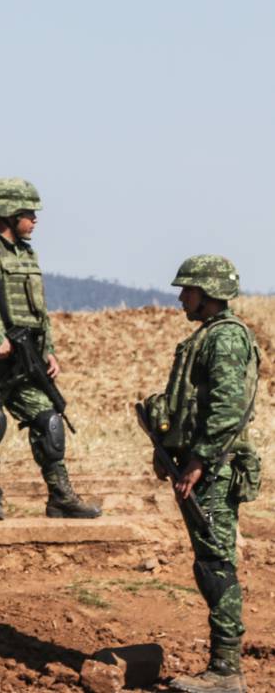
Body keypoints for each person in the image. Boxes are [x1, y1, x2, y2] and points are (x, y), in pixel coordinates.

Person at [0, 177, 101, 520]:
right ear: (8, 213)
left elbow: (38, 311)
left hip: (26, 361)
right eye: (29, 213)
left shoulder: (27, 254)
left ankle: (60, 497)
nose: (35, 219)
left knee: (49, 422)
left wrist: (49, 351)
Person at [142, 256, 260, 693]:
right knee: (210, 562)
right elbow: (192, 405)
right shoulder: (208, 336)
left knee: (215, 564)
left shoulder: (226, 339)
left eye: (188, 291)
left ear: (208, 293)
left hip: (214, 470)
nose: (181, 298)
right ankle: (223, 665)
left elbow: (227, 411)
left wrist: (199, 460)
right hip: (203, 465)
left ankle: (227, 671)